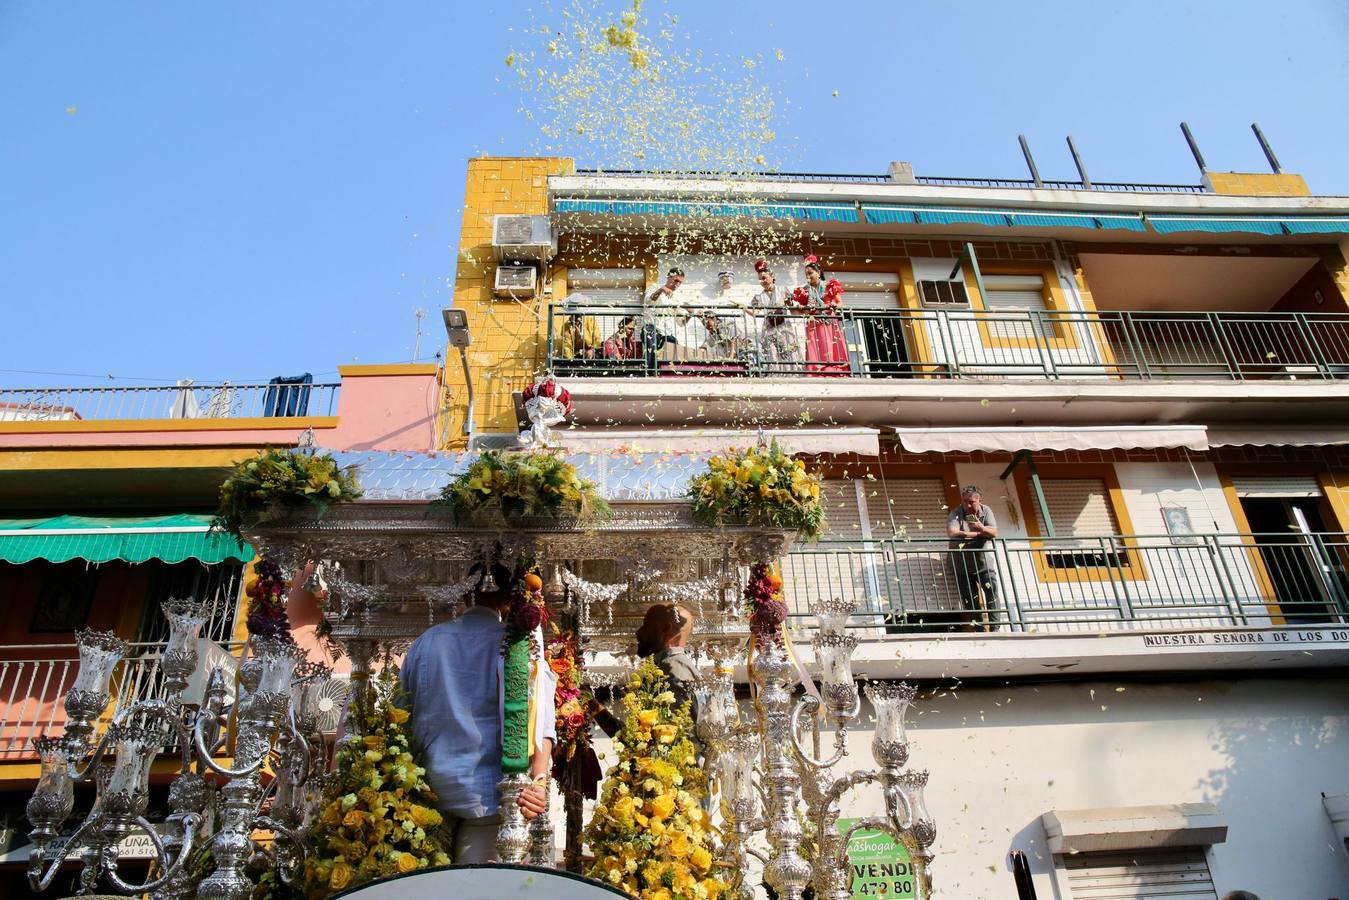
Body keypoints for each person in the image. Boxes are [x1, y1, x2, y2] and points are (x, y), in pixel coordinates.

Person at [400, 563, 556, 864]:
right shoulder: (518, 644)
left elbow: (400, 715)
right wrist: (539, 781)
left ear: (464, 594)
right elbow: (542, 722)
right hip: (492, 802)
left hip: (427, 797)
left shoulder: (427, 642)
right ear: (510, 599)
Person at [946, 486, 1000, 629]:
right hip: (961, 564)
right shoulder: (956, 513)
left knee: (991, 593)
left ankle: (995, 628)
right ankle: (979, 628)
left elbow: (994, 532)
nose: (967, 505)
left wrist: (981, 528)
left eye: (971, 502)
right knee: (970, 598)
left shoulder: (986, 510)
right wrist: (978, 534)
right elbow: (953, 533)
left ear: (979, 500)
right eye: (965, 501)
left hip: (983, 563)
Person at [635, 602, 699, 715]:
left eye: (647, 625)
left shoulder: (672, 669)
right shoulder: (670, 666)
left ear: (666, 629)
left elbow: (671, 730)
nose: (638, 632)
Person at [798, 255, 849, 376]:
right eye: (806, 275)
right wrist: (801, 308)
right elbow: (804, 312)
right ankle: (816, 373)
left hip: (828, 322)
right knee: (814, 346)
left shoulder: (829, 286)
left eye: (810, 273)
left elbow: (841, 303)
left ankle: (833, 371)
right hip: (813, 322)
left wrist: (834, 305)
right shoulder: (805, 290)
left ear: (818, 272)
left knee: (829, 345)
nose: (808, 277)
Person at [752, 259, 801, 374]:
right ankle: (775, 376)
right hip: (769, 329)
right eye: (760, 279)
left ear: (772, 276)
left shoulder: (783, 290)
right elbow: (754, 313)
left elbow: (792, 310)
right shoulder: (758, 297)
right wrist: (743, 307)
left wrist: (797, 306)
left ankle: (792, 375)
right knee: (772, 355)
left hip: (784, 328)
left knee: (788, 353)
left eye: (764, 278)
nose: (762, 281)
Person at [641, 267, 686, 371]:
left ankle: (667, 373)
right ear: (669, 277)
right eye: (676, 280)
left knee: (675, 346)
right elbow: (648, 300)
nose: (677, 284)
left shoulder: (676, 298)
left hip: (666, 333)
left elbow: (680, 322)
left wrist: (690, 315)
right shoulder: (654, 287)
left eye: (680, 282)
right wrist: (661, 289)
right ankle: (648, 372)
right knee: (652, 344)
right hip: (651, 328)